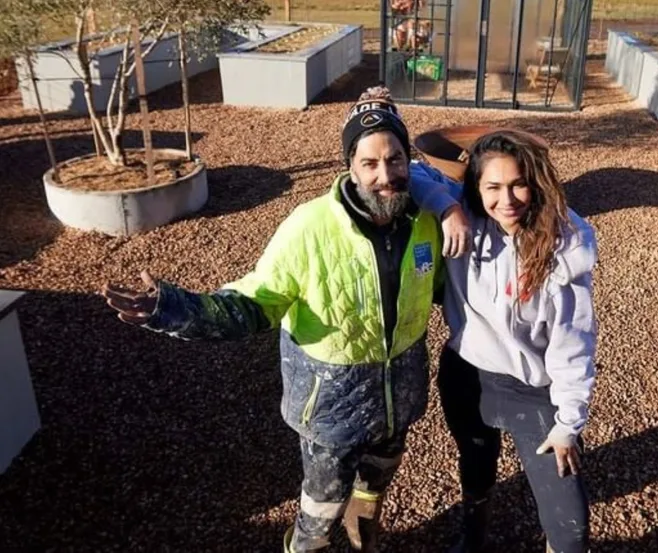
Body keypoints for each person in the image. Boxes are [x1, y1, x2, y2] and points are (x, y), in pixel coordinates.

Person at [101, 87, 470, 553]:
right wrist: (174, 309)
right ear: (349, 166)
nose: (385, 176)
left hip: (401, 398)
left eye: (394, 160)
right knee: (320, 509)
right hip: (331, 412)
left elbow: (448, 282)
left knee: (376, 480)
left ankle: (365, 530)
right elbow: (254, 303)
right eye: (369, 164)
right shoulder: (309, 226)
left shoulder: (422, 222)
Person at [409, 129, 598, 553]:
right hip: (467, 376)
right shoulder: (470, 220)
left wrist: (568, 423)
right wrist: (446, 207)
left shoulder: (560, 248)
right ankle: (473, 538)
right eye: (492, 187)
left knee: (570, 528)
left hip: (533, 391)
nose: (506, 200)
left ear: (536, 183)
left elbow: (574, 342)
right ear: (475, 188)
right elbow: (414, 172)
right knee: (476, 466)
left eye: (518, 184)